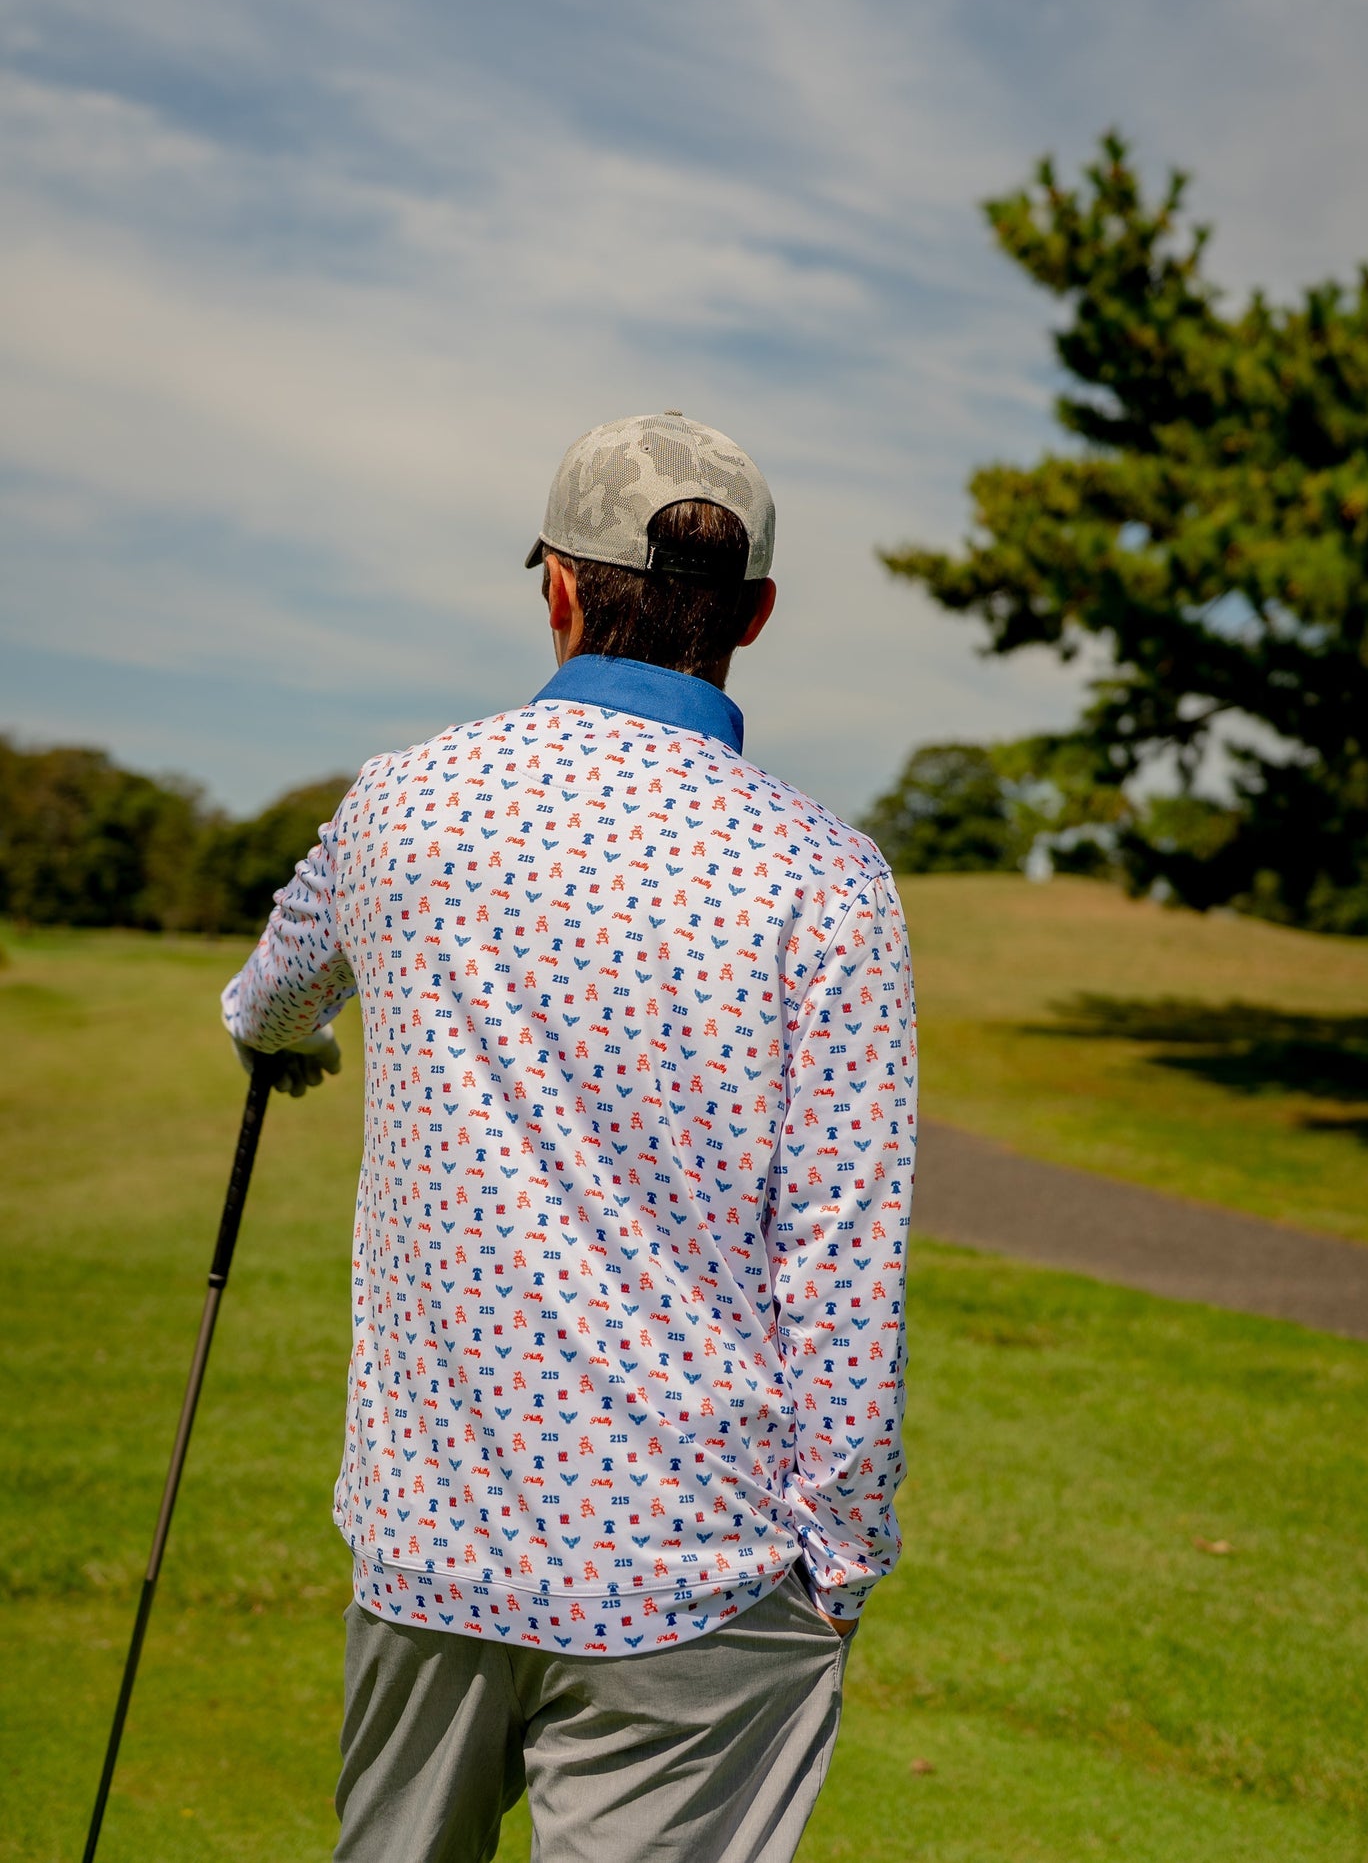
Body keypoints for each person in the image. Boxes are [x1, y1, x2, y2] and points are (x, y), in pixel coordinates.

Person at [223, 413, 917, 1863]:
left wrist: (281, 1044)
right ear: (756, 616)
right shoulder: (830, 878)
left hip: (432, 1549)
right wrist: (838, 1565)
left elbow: (274, 997)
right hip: (704, 1576)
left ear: (555, 587)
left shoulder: (397, 802)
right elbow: (842, 1265)